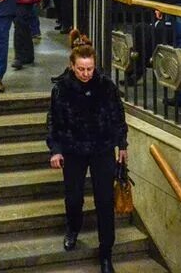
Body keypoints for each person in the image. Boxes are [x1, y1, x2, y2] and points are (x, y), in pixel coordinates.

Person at [47, 42, 128, 273]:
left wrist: (122, 144)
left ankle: (106, 252)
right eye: (81, 69)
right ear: (72, 66)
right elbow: (54, 121)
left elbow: (117, 116)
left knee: (104, 200)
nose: (86, 73)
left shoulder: (105, 87)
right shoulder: (62, 89)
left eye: (89, 69)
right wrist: (56, 149)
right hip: (73, 149)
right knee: (73, 197)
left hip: (102, 148)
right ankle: (73, 229)